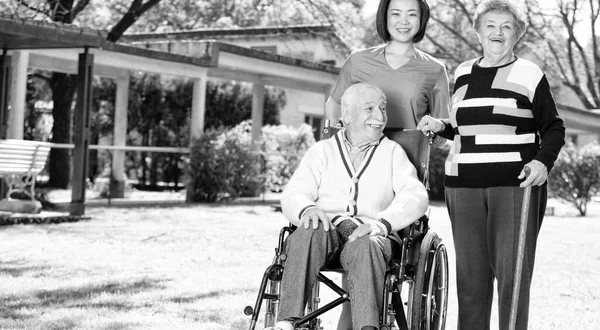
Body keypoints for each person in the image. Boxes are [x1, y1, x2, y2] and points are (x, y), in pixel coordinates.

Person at [416, 1, 566, 329]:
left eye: (506, 26)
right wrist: (441, 126)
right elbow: (465, 127)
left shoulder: (529, 73)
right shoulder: (463, 72)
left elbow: (554, 126)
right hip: (462, 185)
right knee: (470, 280)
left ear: (517, 34)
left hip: (514, 185)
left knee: (512, 278)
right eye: (490, 25)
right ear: (477, 31)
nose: (497, 32)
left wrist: (543, 163)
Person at [270, 83, 428, 330]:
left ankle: (367, 327)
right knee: (307, 231)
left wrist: (381, 224)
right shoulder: (322, 151)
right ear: (347, 115)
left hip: (372, 237)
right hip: (327, 235)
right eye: (370, 108)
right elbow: (295, 192)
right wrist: (306, 209)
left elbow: (416, 195)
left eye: (383, 109)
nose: (380, 116)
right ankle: (288, 322)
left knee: (365, 245)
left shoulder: (392, 153)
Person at [326, 0, 449, 133]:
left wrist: (435, 131)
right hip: (362, 152)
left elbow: (443, 132)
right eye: (396, 14)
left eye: (412, 14)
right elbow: (335, 103)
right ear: (384, 17)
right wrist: (339, 137)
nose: (404, 21)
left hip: (411, 152)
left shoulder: (435, 70)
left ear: (422, 19)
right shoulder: (357, 61)